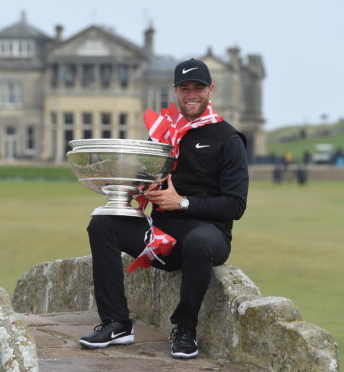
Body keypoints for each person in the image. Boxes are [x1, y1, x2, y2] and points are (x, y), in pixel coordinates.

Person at [79, 58, 249, 359]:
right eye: (185, 88)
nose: (192, 94)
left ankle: (185, 330)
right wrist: (139, 188)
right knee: (102, 224)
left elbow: (235, 205)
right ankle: (116, 322)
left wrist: (181, 202)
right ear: (175, 91)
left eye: (199, 87)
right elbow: (145, 179)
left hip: (208, 235)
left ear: (211, 89)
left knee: (198, 241)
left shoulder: (228, 138)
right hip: (159, 237)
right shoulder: (162, 134)